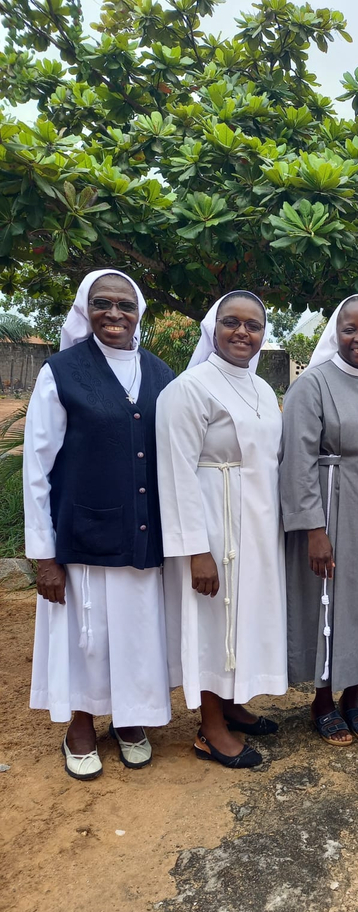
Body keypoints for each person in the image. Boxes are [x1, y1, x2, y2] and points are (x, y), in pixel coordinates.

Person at [24, 269, 176, 780]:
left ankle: (129, 720)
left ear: (140, 313)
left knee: (135, 632)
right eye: (102, 303)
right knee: (86, 635)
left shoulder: (160, 373)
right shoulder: (61, 371)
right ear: (84, 310)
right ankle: (82, 723)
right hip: (82, 534)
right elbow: (37, 468)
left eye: (125, 305)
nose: (115, 314)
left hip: (141, 532)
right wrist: (44, 555)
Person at [157, 291, 287, 769]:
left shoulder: (262, 389)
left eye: (253, 325)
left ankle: (232, 704)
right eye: (232, 322)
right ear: (213, 327)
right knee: (212, 620)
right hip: (211, 522)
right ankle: (210, 727)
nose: (242, 332)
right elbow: (176, 471)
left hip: (253, 522)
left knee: (243, 615)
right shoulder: (189, 389)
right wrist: (197, 550)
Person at [281, 295, 358, 745]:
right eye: (349, 329)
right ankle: (321, 699)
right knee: (326, 599)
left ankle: (352, 695)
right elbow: (295, 459)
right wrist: (314, 528)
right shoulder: (312, 385)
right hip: (329, 508)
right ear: (335, 333)